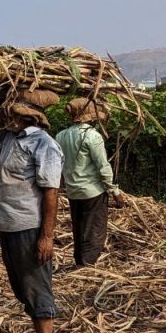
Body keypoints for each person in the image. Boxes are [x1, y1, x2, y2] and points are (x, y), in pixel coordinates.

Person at [0, 90, 65, 333]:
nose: (7, 116)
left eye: (12, 112)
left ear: (28, 117)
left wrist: (46, 237)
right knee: (21, 286)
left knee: (35, 285)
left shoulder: (44, 145)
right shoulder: (9, 137)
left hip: (29, 226)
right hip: (7, 223)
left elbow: (51, 192)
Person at [55, 98, 127, 267]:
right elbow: (103, 166)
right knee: (94, 231)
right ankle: (87, 266)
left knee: (79, 229)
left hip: (73, 192)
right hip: (92, 192)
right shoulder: (93, 136)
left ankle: (80, 262)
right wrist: (114, 191)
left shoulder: (60, 136)